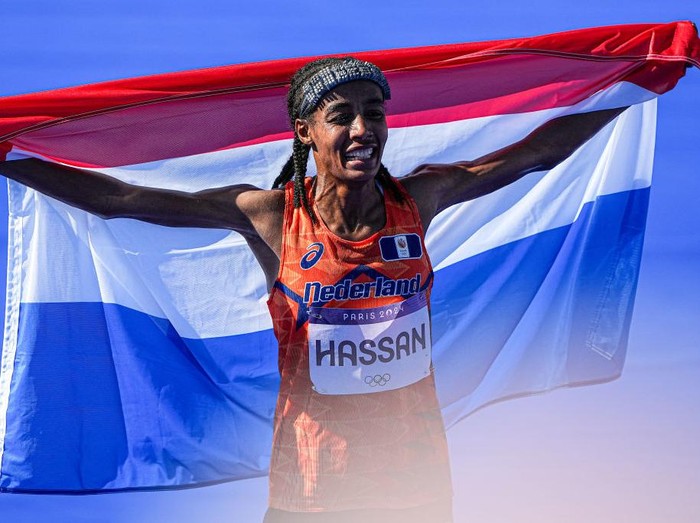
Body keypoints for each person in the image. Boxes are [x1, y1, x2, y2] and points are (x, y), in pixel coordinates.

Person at [0, 57, 624, 523]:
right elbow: (123, 199)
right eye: (342, 116)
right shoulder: (272, 216)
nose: (362, 129)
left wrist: (637, 82)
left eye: (374, 114)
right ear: (306, 132)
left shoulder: (419, 197)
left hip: (416, 476)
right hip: (312, 485)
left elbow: (531, 155)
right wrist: (8, 155)